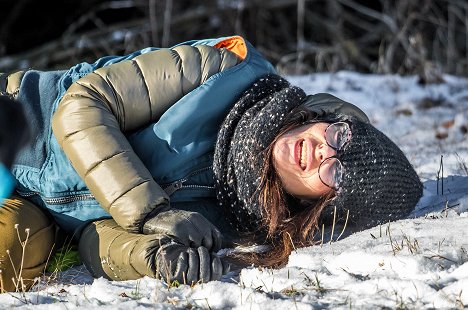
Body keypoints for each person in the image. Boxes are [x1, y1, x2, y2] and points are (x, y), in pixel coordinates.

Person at [0, 35, 423, 291]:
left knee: (8, 256)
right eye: (338, 136)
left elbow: (97, 236)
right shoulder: (226, 71)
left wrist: (152, 255)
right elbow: (81, 107)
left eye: (335, 171)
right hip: (20, 123)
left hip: (44, 215)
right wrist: (153, 212)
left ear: (317, 205)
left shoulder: (239, 217)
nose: (322, 152)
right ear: (323, 118)